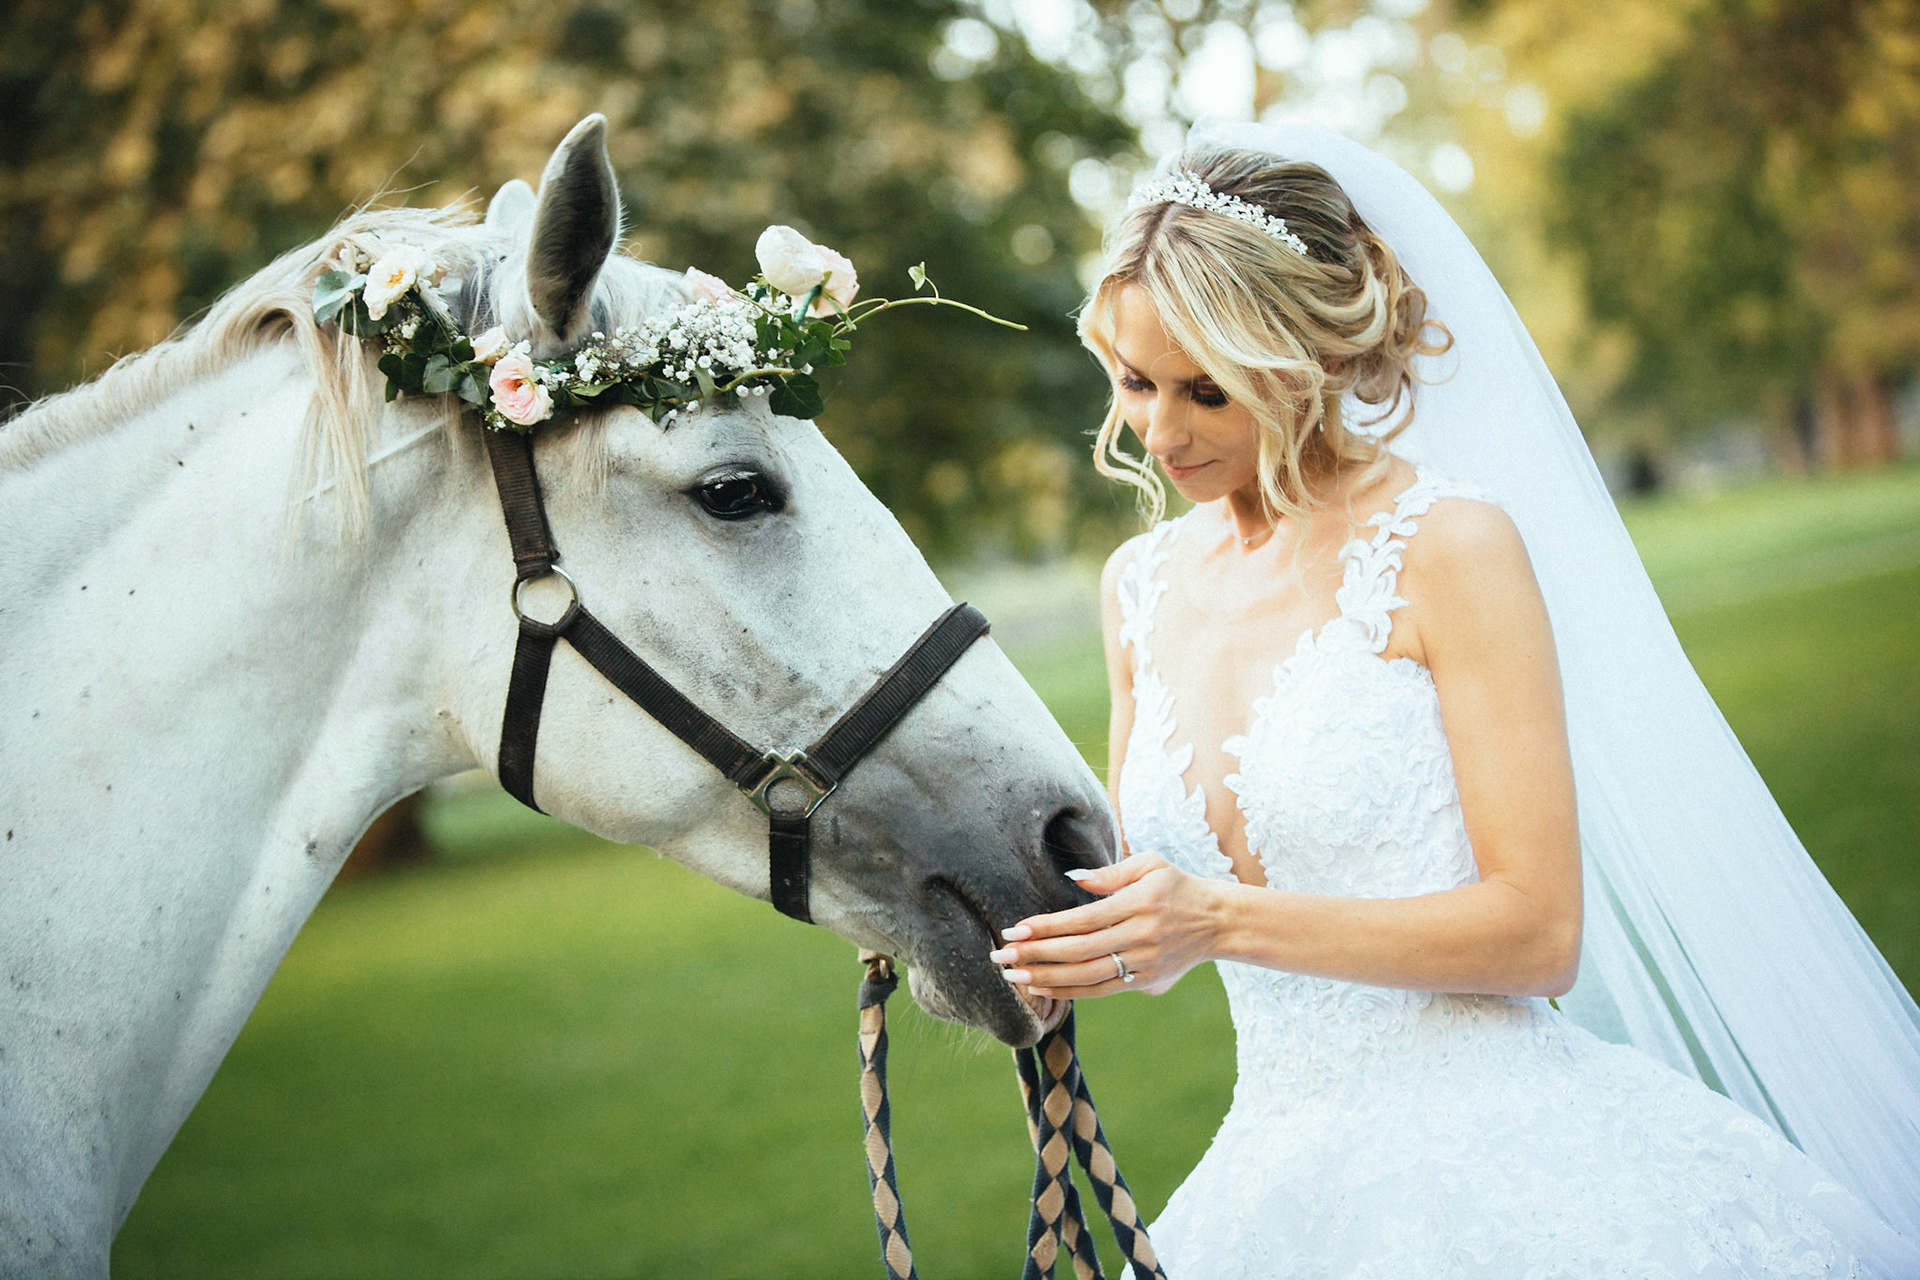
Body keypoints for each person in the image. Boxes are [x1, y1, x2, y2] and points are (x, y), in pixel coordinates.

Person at [986, 124, 1920, 1277]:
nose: (1161, 431)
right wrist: (1006, 925)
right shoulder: (1136, 589)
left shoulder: (1449, 547)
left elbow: (1539, 930)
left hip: (1512, 1163)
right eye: (1134, 382)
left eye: (1207, 392)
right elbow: (1143, 902)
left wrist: (1218, 919)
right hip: (1271, 1187)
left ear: (1307, 359)